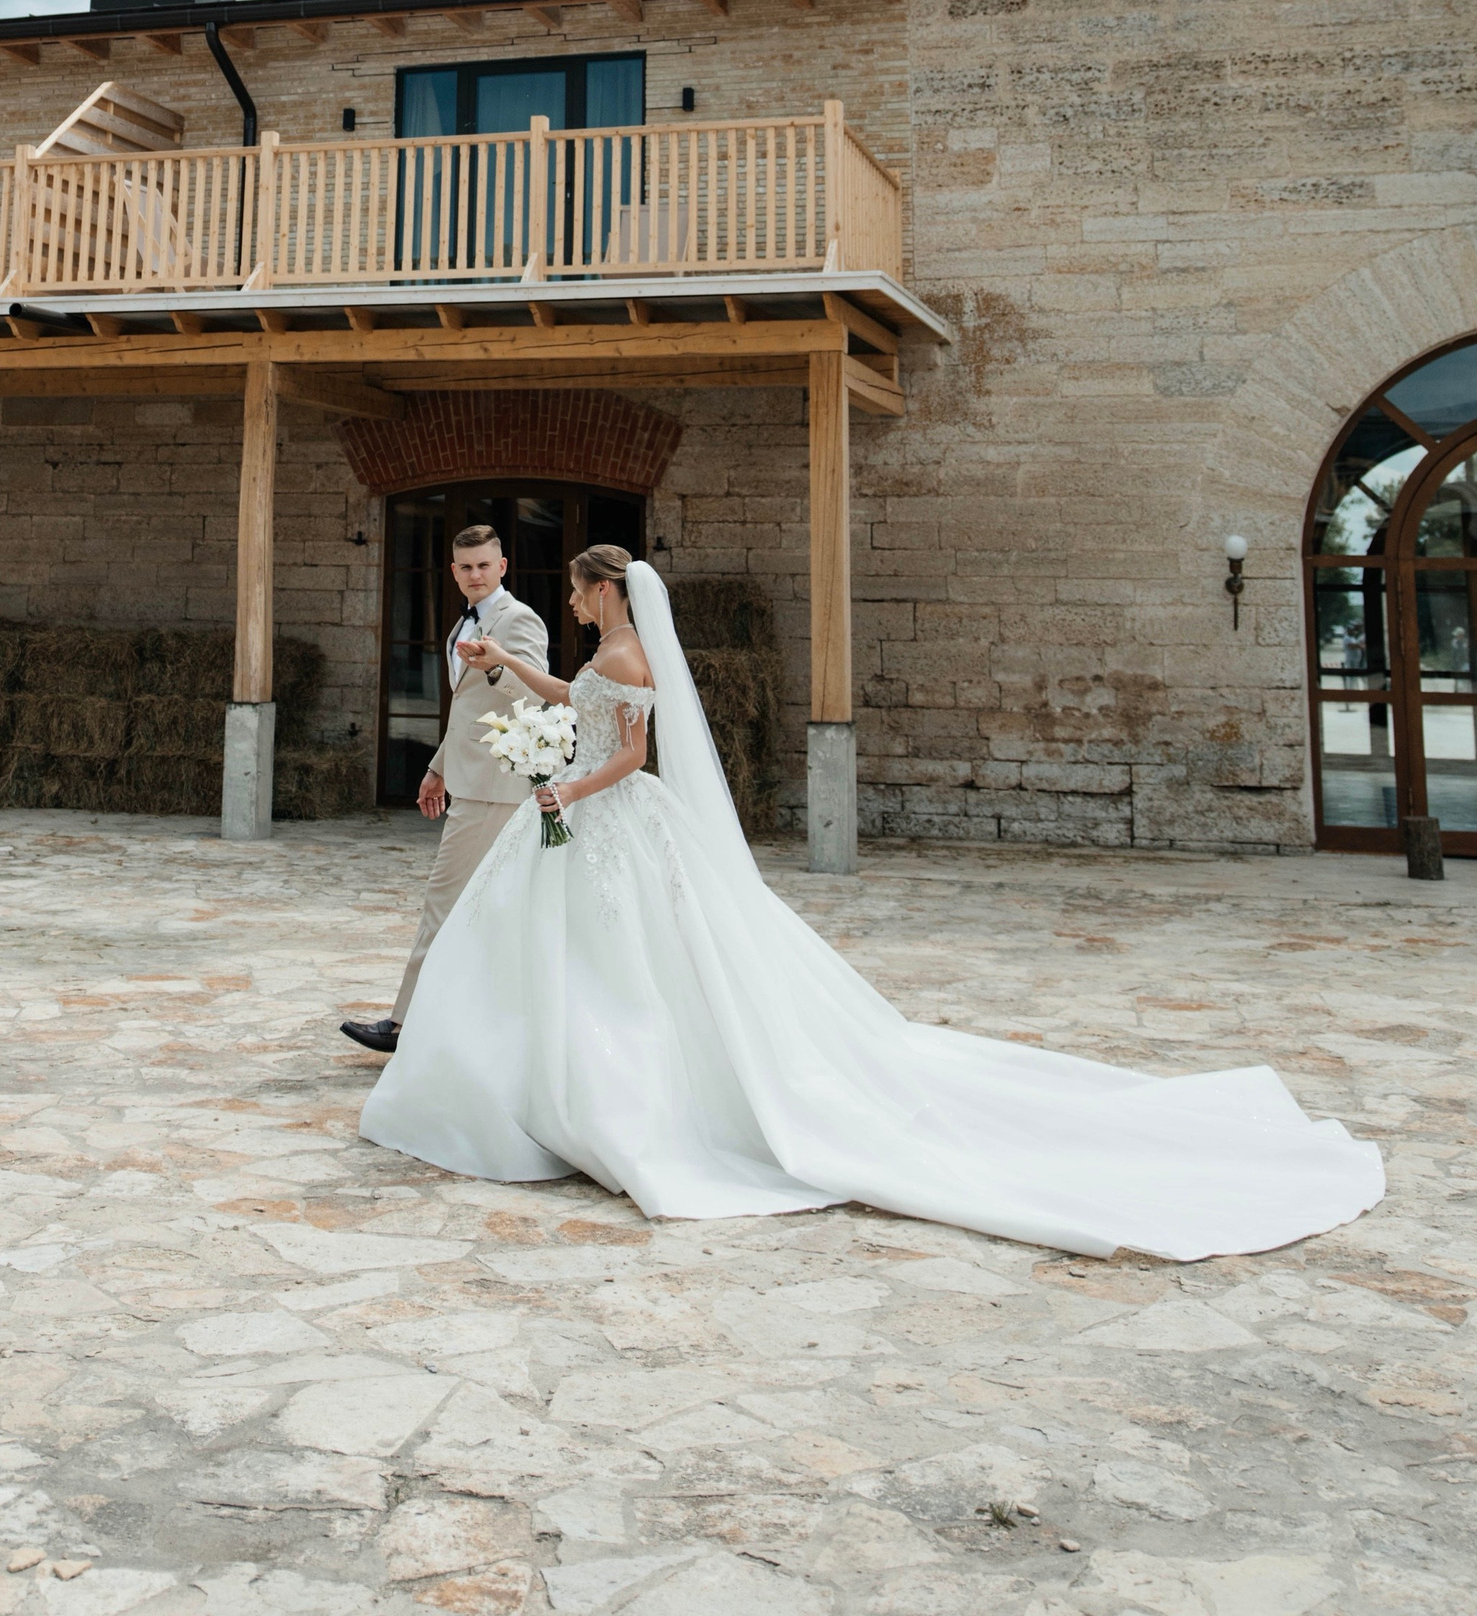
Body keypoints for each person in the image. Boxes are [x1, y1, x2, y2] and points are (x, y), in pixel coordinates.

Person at [360, 545, 1385, 1259]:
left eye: (581, 594)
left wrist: (568, 791)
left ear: (603, 592)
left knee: (629, 960)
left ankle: (607, 1090)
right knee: (557, 948)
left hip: (606, 813)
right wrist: (511, 667)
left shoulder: (628, 655)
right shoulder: (602, 656)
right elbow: (572, 702)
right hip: (585, 815)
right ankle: (525, 1078)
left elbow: (631, 753)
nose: (576, 605)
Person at [340, 523, 550, 1056]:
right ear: (454, 572)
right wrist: (438, 767)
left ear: (502, 567)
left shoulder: (518, 619)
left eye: (484, 565)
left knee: (443, 900)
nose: (475, 575)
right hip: (470, 778)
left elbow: (538, 696)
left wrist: (498, 667)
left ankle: (404, 1025)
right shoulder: (463, 620)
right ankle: (468, 1023)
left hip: (495, 788)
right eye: (466, 567)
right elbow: (468, 709)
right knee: (481, 907)